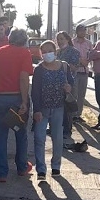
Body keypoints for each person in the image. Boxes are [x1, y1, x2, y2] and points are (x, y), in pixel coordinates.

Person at [0, 28, 34, 182]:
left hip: (0, 98)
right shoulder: (24, 53)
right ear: (24, 40)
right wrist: (24, 101)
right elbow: (23, 78)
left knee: (1, 136)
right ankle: (22, 167)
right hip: (16, 98)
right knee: (21, 134)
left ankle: (1, 172)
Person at [32, 41, 72, 178]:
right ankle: (41, 170)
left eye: (50, 50)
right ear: (41, 54)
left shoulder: (64, 66)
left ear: (55, 52)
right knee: (39, 138)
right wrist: (36, 110)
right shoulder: (38, 70)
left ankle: (56, 167)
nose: (47, 54)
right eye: (44, 51)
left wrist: (68, 88)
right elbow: (35, 92)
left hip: (59, 108)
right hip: (42, 109)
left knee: (58, 138)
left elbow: (70, 82)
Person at [55, 31, 79, 140]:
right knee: (58, 107)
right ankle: (56, 128)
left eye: (62, 39)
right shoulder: (57, 52)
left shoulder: (73, 51)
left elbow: (74, 67)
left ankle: (67, 131)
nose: (59, 41)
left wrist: (63, 65)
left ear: (67, 39)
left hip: (68, 82)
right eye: (58, 39)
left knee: (67, 109)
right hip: (56, 83)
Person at [72, 24, 92, 123]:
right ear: (77, 32)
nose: (82, 32)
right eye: (80, 31)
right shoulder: (72, 43)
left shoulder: (88, 43)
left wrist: (88, 63)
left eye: (84, 30)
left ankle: (78, 115)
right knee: (73, 94)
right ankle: (71, 114)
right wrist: (79, 62)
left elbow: (91, 56)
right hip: (74, 72)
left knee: (81, 95)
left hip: (84, 72)